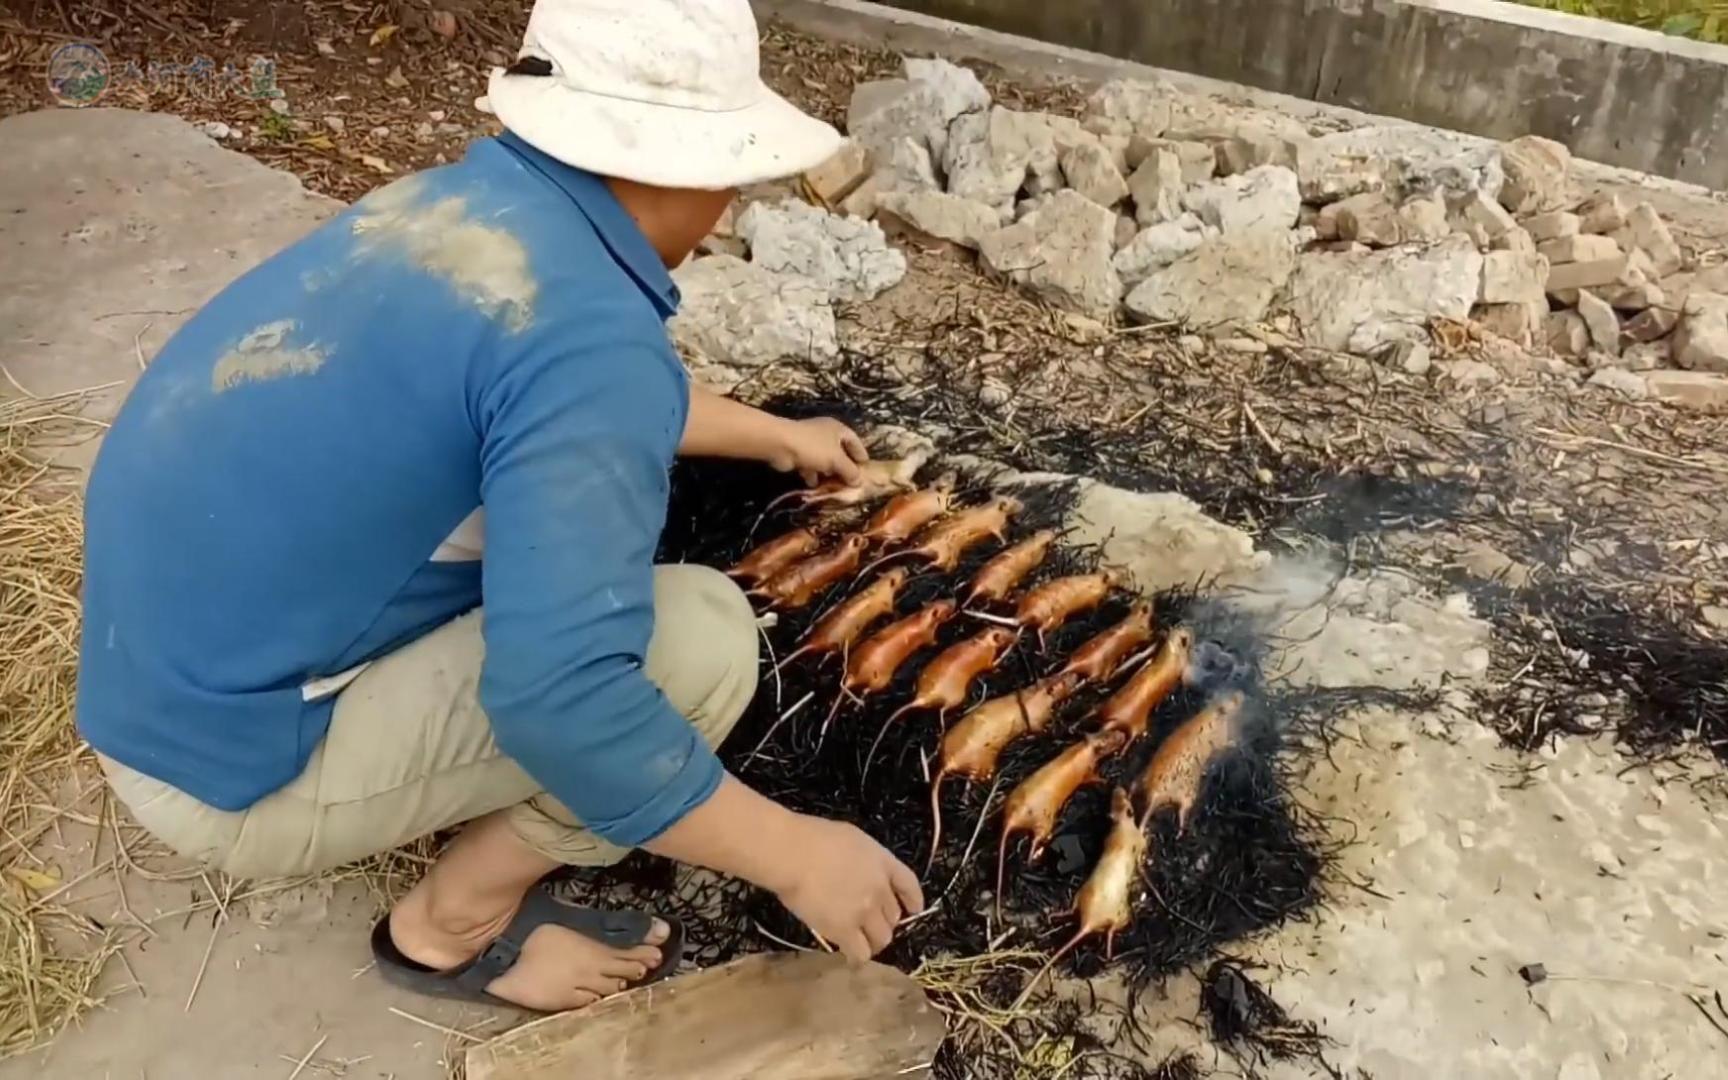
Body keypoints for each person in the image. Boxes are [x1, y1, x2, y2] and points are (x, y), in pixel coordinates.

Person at [75, 0, 924, 1012]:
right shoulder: (591, 343)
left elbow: (536, 386)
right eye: (731, 174)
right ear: (681, 166)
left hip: (151, 674)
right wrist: (792, 853)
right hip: (223, 768)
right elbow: (561, 697)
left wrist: (774, 435)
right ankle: (452, 927)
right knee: (701, 642)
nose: (731, 203)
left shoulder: (458, 209)